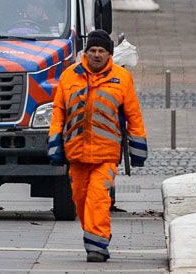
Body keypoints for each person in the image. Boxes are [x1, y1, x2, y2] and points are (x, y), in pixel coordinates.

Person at [47, 29, 147, 261]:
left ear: (109, 54)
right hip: (76, 153)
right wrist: (55, 143)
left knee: (98, 198)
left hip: (106, 155)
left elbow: (133, 115)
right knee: (80, 199)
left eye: (101, 50)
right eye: (92, 50)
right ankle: (95, 234)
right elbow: (58, 112)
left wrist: (138, 150)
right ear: (86, 52)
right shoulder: (69, 76)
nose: (97, 54)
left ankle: (97, 246)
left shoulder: (122, 78)